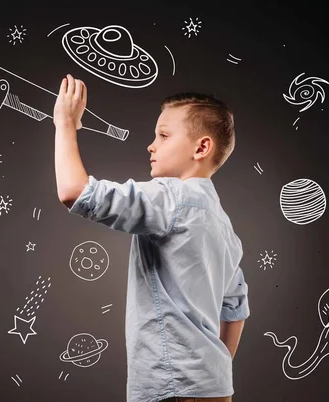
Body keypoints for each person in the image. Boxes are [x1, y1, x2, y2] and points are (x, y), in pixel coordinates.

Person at [53, 74, 250, 402]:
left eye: (163, 135)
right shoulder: (223, 226)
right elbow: (235, 308)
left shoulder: (171, 197)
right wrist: (208, 370)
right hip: (213, 389)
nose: (151, 145)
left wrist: (65, 124)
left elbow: (75, 192)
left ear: (201, 147)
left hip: (171, 390)